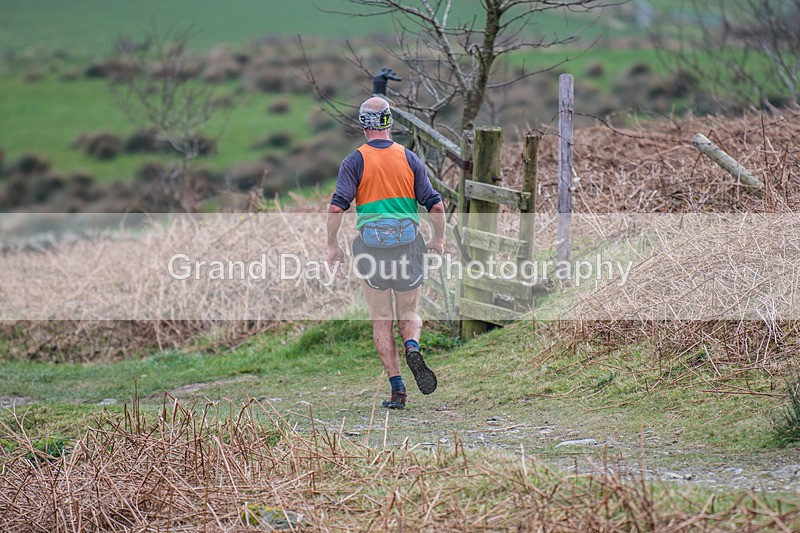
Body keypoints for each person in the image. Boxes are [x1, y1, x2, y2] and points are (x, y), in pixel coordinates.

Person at [326, 96, 446, 410]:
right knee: (410, 314)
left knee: (381, 320)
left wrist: (332, 244)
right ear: (389, 122)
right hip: (409, 247)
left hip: (371, 250)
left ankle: (397, 390)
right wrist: (438, 239)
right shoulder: (409, 158)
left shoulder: (354, 161)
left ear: (363, 125)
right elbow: (435, 204)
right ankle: (412, 345)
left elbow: (337, 206)